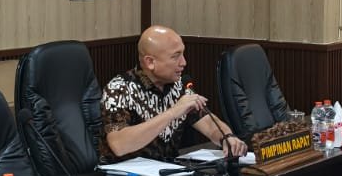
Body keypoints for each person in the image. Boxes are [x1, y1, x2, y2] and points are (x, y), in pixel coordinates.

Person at [101, 25, 247, 161]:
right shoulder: (119, 89)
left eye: (183, 54)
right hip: (123, 175)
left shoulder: (179, 85)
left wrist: (226, 137)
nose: (183, 62)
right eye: (175, 56)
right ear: (150, 62)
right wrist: (172, 113)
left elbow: (208, 122)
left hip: (167, 171)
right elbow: (119, 145)